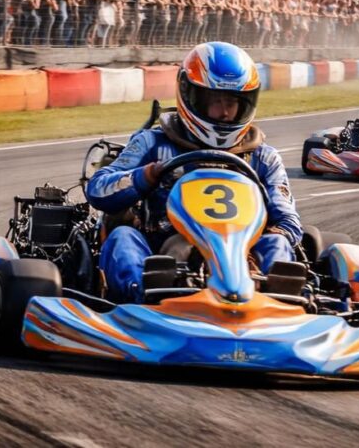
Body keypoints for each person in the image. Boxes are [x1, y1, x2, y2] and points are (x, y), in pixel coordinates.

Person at [86, 42, 301, 304]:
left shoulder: (262, 156)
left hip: (242, 255)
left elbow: (289, 221)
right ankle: (143, 302)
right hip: (160, 254)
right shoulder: (152, 143)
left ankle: (282, 305)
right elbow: (97, 188)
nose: (223, 112)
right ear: (191, 97)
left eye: (232, 103)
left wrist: (277, 235)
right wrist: (145, 176)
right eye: (215, 101)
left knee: (277, 246)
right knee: (122, 237)